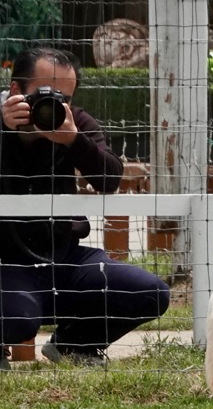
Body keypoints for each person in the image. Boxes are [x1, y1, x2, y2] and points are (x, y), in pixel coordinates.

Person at [0, 47, 170, 368]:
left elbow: (110, 177)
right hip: (7, 264)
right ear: (15, 91)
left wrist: (73, 141)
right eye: (43, 94)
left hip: (64, 257)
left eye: (63, 97)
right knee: (20, 320)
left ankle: (75, 346)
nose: (52, 105)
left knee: (150, 292)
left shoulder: (73, 121)